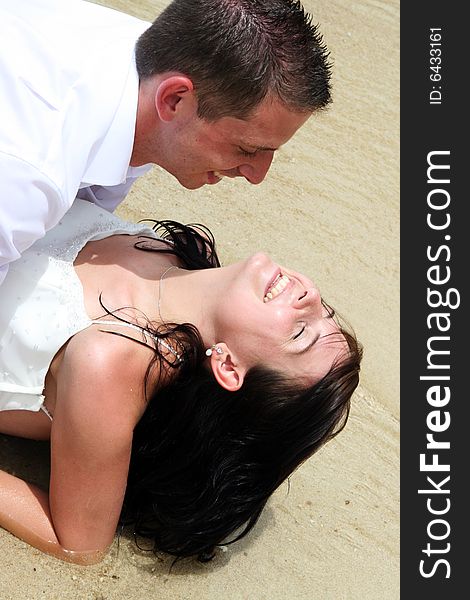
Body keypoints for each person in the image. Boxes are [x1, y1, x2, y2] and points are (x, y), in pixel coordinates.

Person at [0, 199, 362, 565]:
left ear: (230, 367)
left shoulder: (115, 361)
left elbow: (79, 542)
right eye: (325, 311)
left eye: (301, 333)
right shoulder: (180, 255)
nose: (311, 296)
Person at [0, 0, 332, 286]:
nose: (257, 175)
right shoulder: (31, 170)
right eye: (246, 148)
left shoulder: (164, 57)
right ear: (174, 99)